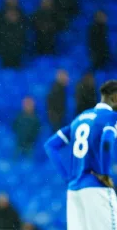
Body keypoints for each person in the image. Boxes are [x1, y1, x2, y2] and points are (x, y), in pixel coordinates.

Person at [44, 80, 117, 230]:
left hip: (74, 190)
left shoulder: (80, 118)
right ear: (115, 98)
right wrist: (103, 173)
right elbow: (107, 141)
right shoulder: (111, 117)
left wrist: (67, 177)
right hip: (97, 188)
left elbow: (50, 145)